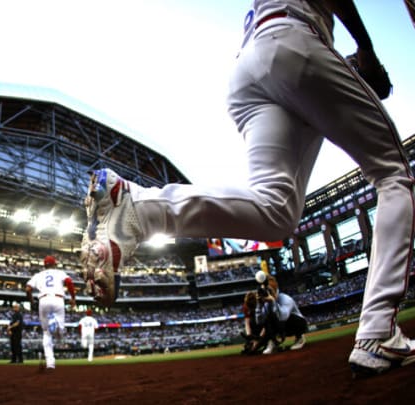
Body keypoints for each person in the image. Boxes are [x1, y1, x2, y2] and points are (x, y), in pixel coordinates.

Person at [80, 1, 414, 376]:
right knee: (394, 176)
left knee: (277, 213)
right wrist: (366, 50)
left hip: (251, 69)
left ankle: (139, 208)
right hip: (296, 41)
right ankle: (379, 330)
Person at [25, 255, 76, 370]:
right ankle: (57, 326)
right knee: (60, 333)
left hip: (43, 300)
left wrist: (32, 301)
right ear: (55, 264)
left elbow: (28, 289)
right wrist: (73, 298)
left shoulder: (38, 275)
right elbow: (69, 282)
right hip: (58, 299)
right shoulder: (59, 273)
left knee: (46, 333)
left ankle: (50, 363)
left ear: (44, 265)